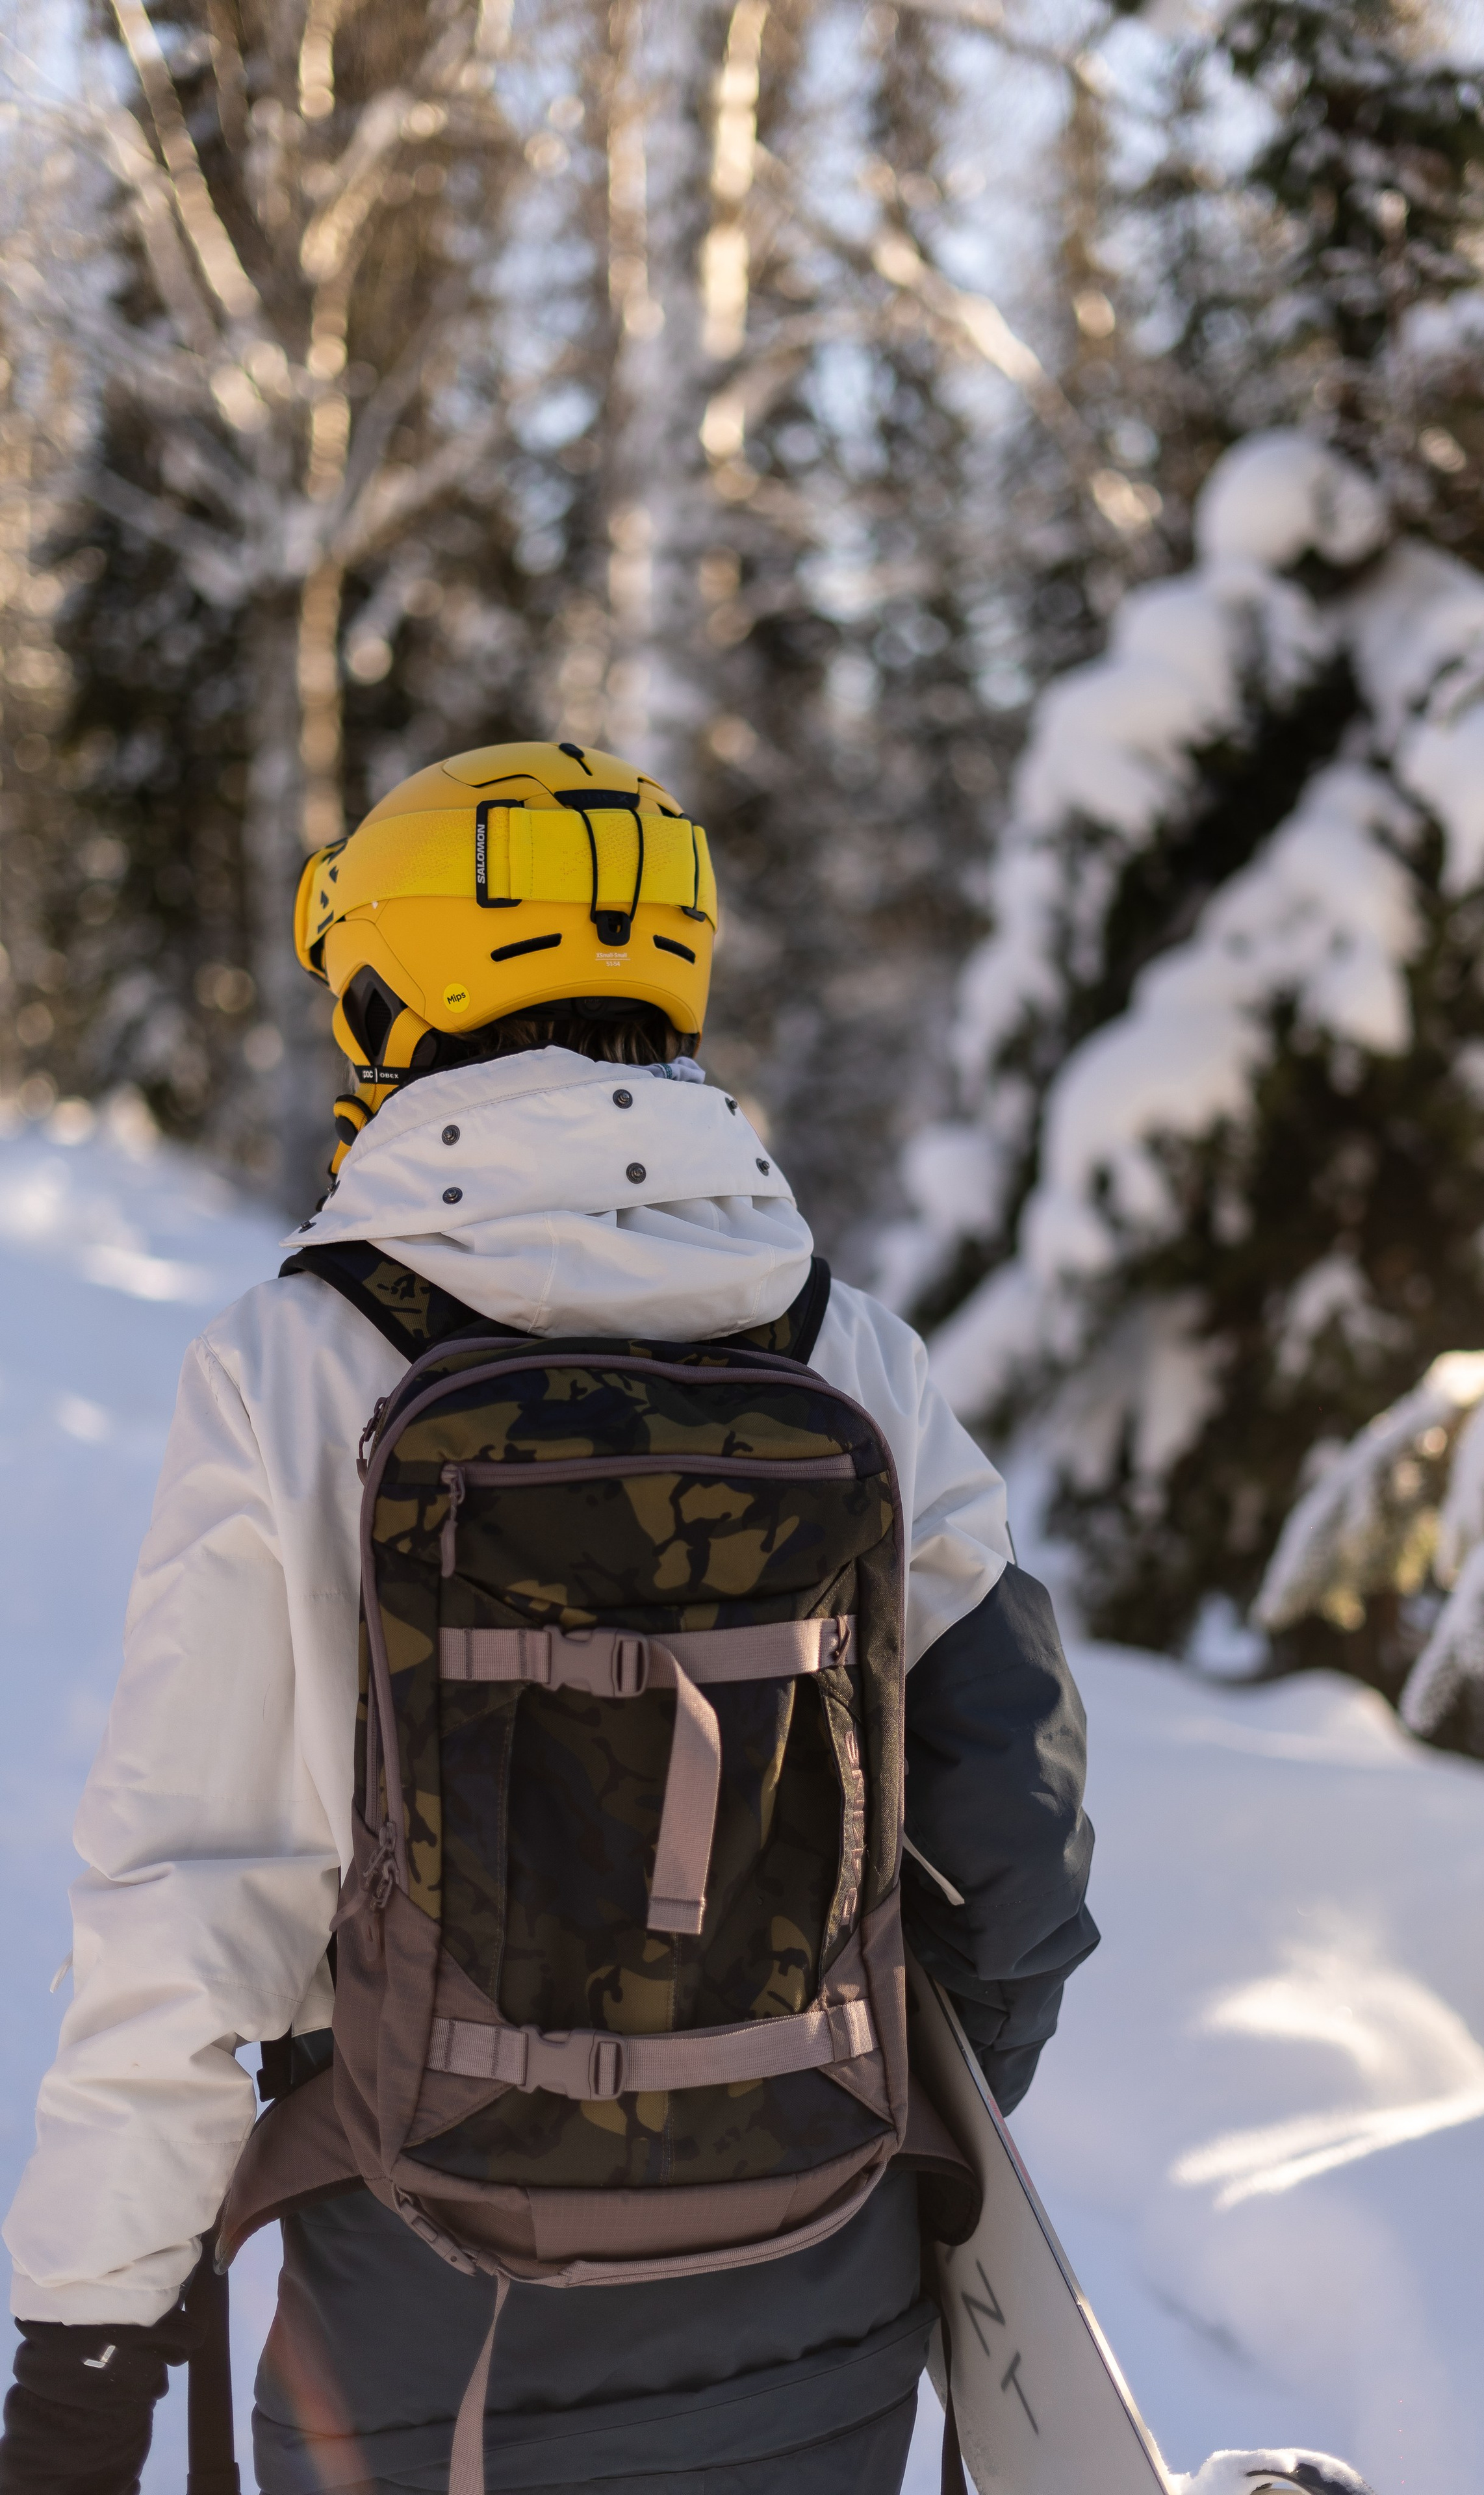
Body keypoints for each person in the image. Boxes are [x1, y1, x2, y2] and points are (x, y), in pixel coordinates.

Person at [0, 741, 1097, 2495]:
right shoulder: (848, 1355)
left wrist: (82, 2368)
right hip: (823, 2302)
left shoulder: (302, 1366)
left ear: (394, 986)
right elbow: (1014, 1846)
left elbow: (192, 1919)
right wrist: (864, 2142)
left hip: (434, 2350)